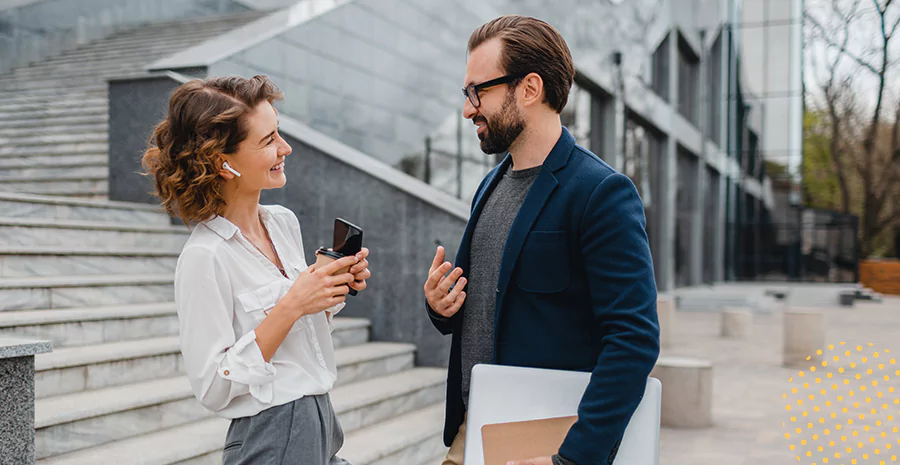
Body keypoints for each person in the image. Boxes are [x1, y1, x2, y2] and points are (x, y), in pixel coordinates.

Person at [423, 15, 660, 465]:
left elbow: (634, 339)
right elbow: (498, 307)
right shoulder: (489, 186)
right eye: (466, 94)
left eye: (479, 91)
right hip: (472, 430)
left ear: (529, 89)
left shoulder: (601, 192)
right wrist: (442, 306)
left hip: (546, 439)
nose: (469, 108)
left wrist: (572, 458)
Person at [142, 75, 371, 465]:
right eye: (268, 141)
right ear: (222, 162)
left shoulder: (283, 223)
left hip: (320, 423)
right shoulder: (204, 256)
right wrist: (291, 305)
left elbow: (297, 339)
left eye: (278, 133)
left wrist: (328, 291)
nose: (286, 148)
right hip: (272, 432)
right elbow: (213, 386)